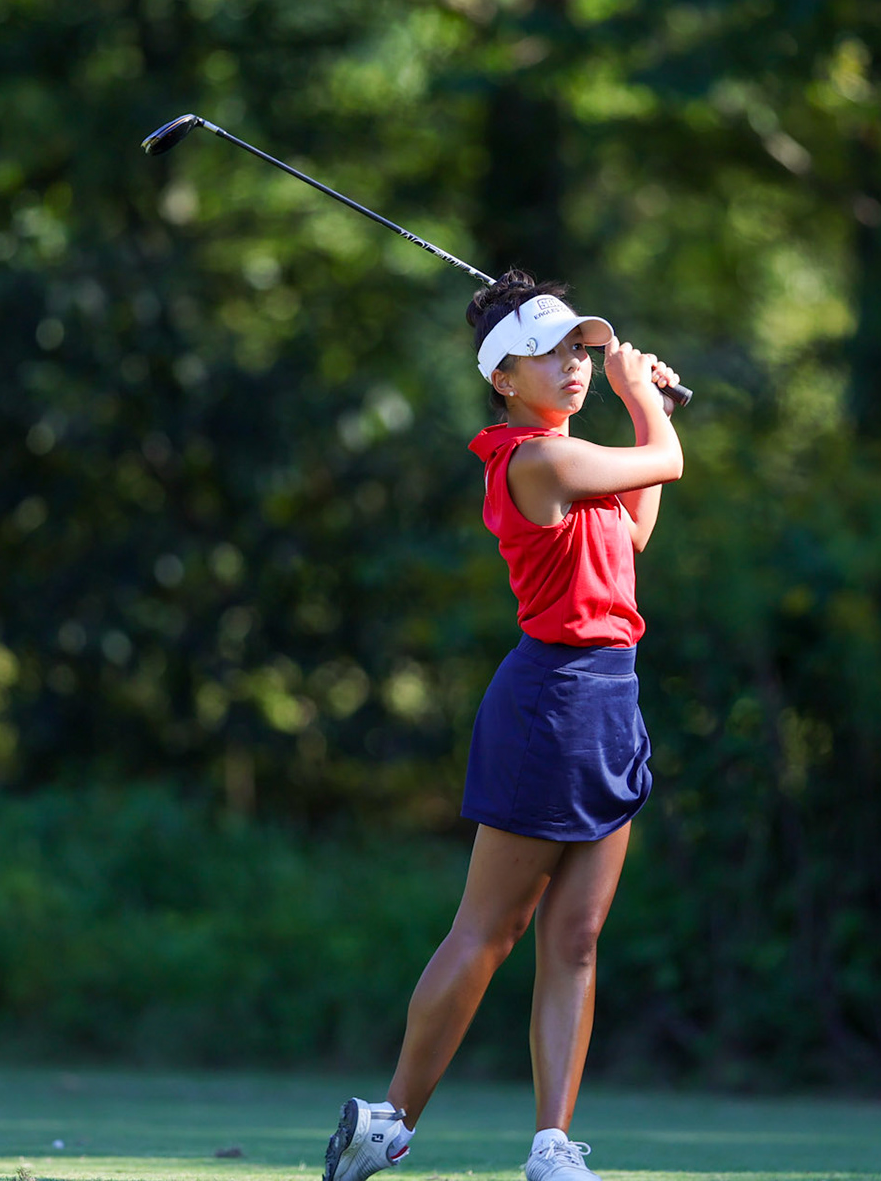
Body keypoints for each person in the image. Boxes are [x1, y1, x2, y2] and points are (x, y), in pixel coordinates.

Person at [323, 271, 684, 1181]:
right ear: (503, 379)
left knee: (576, 940)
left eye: (578, 351)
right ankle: (389, 1120)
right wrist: (642, 397)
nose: (572, 366)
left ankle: (552, 1146)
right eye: (548, 355)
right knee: (488, 931)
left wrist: (638, 409)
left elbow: (637, 528)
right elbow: (667, 461)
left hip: (610, 698)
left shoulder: (573, 458)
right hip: (549, 703)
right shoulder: (533, 461)